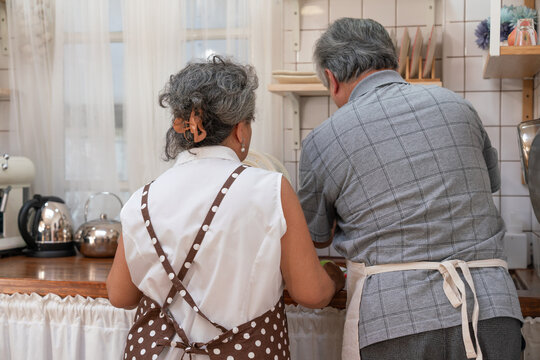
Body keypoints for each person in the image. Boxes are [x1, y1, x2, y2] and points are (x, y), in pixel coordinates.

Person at [298, 18, 523, 360]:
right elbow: (488, 184)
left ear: (331, 78)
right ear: (392, 60)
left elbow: (316, 237)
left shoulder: (322, 139)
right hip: (492, 309)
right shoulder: (459, 106)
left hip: (394, 320)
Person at [106, 55, 345, 360]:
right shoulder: (270, 189)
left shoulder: (141, 198)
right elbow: (310, 293)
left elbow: (120, 295)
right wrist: (335, 277)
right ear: (240, 129)